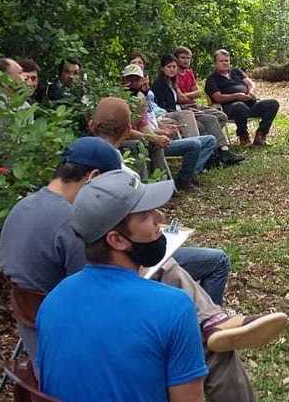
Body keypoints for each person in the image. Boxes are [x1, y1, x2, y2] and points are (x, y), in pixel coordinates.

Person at [35, 168, 209, 402]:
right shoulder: (173, 308)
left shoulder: (53, 301)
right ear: (117, 240)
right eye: (146, 215)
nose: (161, 219)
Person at [89, 97, 235, 304]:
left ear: (91, 125)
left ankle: (211, 321)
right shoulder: (124, 176)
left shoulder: (76, 174)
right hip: (130, 264)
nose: (158, 215)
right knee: (214, 261)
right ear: (127, 129)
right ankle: (208, 327)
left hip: (107, 264)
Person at [124, 63, 216, 189]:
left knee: (210, 139)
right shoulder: (123, 102)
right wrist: (156, 137)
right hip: (147, 142)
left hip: (154, 137)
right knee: (194, 144)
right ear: (123, 80)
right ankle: (180, 181)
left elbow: (144, 126)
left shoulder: (141, 98)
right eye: (130, 79)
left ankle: (188, 176)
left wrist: (162, 130)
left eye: (137, 79)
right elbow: (128, 131)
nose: (134, 82)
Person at [151, 54, 243, 166]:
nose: (172, 69)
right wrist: (187, 102)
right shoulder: (159, 85)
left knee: (220, 116)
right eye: (169, 67)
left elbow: (188, 96)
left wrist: (187, 102)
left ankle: (214, 152)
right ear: (162, 68)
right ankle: (221, 152)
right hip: (173, 114)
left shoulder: (172, 82)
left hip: (184, 108)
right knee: (209, 120)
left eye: (174, 67)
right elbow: (163, 107)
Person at [205, 49, 279, 147]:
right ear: (215, 63)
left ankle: (260, 135)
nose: (225, 63)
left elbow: (250, 83)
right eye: (221, 61)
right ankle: (243, 137)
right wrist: (237, 96)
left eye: (227, 60)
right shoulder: (212, 79)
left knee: (272, 103)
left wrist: (250, 91)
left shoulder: (236, 71)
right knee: (239, 106)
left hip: (249, 104)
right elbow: (218, 98)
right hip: (229, 108)